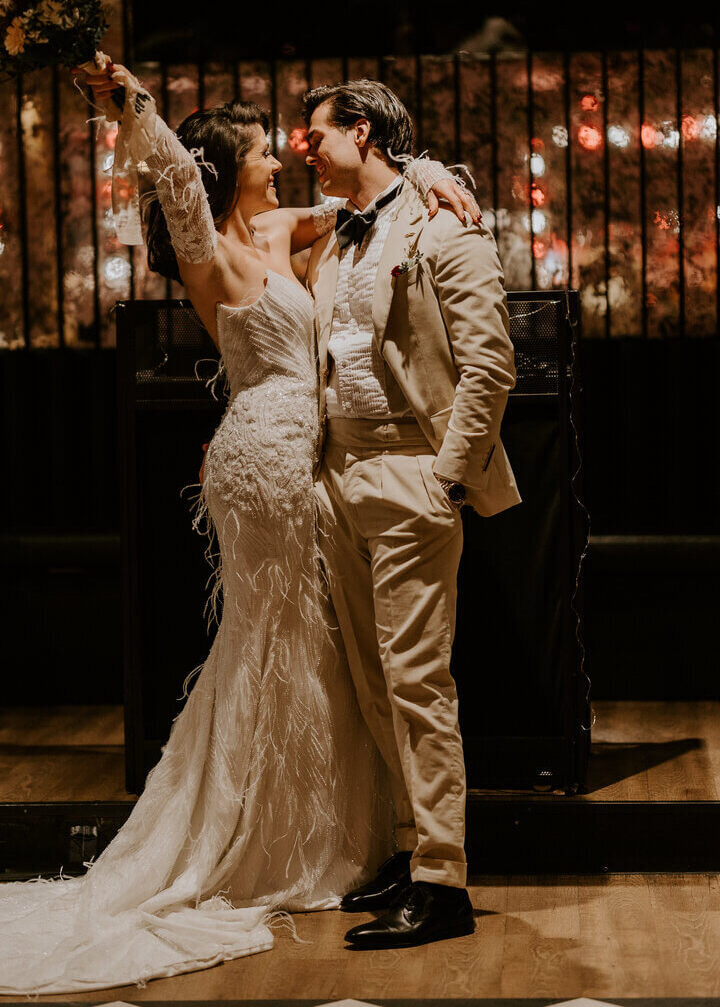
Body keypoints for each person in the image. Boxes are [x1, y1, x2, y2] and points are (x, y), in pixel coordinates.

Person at [0, 59, 478, 994]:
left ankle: (343, 835)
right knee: (278, 643)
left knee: (318, 647)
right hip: (265, 458)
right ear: (229, 165)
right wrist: (132, 105)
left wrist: (431, 172)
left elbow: (373, 204)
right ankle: (266, 837)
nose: (280, 155)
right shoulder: (205, 246)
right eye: (263, 147)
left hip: (313, 454)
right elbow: (177, 176)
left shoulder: (278, 227)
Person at [305, 79, 521, 950]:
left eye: (313, 133)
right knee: (369, 680)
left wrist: (444, 479)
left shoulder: (443, 223)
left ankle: (445, 881)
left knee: (418, 681)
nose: (300, 149)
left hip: (408, 472)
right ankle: (407, 852)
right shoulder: (331, 235)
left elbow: (491, 364)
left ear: (362, 132)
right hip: (336, 478)